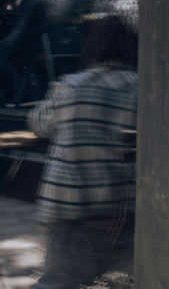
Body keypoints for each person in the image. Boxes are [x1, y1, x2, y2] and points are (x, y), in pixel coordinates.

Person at [28, 15, 139, 289]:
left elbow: (38, 123)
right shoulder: (143, 88)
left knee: (57, 283)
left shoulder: (71, 86)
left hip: (75, 214)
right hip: (126, 214)